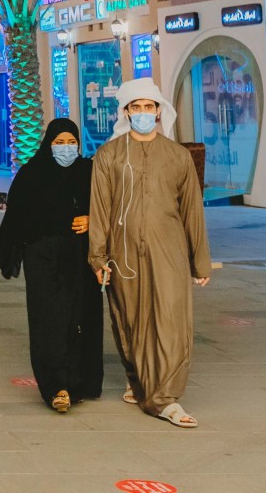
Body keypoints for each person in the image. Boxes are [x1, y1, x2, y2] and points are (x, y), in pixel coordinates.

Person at [89, 78, 211, 428]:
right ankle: (139, 380)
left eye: (149, 106)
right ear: (126, 112)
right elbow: (100, 210)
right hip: (122, 253)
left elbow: (192, 211)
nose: (143, 112)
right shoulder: (109, 155)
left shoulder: (178, 156)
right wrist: (97, 257)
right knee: (129, 320)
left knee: (172, 320)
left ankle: (166, 398)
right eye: (136, 107)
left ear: (159, 111)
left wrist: (200, 261)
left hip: (168, 250)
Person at [0, 117, 102, 413]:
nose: (66, 148)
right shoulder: (32, 174)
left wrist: (93, 220)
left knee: (77, 317)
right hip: (41, 257)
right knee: (47, 319)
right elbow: (14, 217)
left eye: (72, 142)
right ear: (48, 144)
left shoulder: (89, 172)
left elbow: (109, 207)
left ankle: (75, 382)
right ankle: (55, 386)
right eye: (59, 142)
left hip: (80, 257)